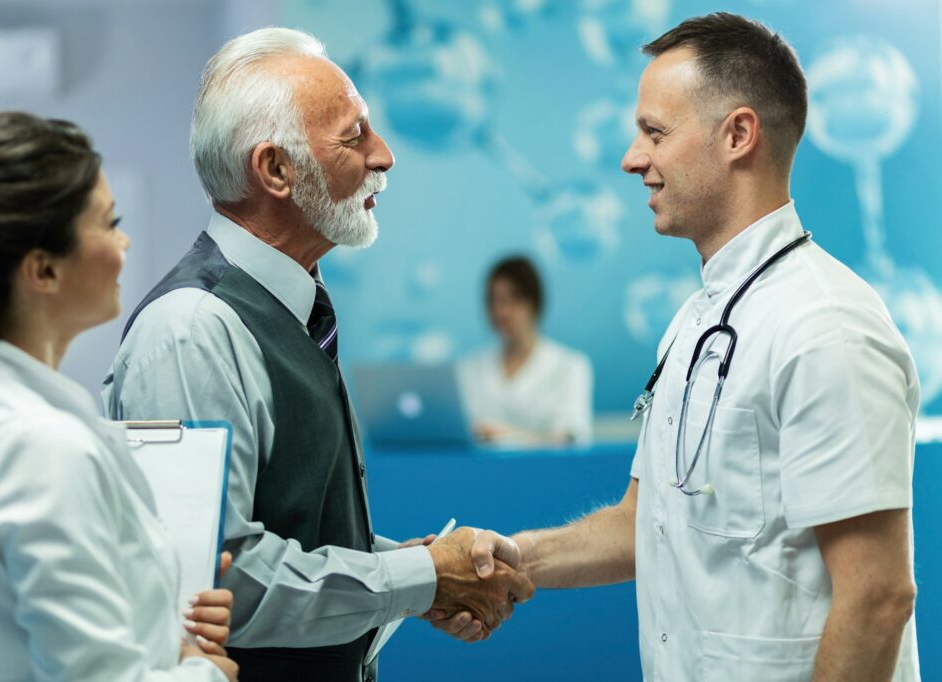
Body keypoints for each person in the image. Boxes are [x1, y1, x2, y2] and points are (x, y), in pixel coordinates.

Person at [467, 13, 920, 681]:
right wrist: (507, 562)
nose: (632, 158)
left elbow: (879, 596)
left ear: (738, 134)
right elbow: (645, 523)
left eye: (655, 132)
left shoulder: (826, 328)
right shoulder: (695, 322)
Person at [103, 28, 533, 682]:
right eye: (354, 135)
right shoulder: (192, 330)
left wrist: (416, 570)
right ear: (275, 169)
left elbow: (291, 534)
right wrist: (418, 578)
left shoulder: (294, 306)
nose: (385, 155)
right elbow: (223, 579)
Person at [0, 110, 239, 680]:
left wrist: (160, 613)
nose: (125, 240)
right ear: (42, 270)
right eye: (109, 222)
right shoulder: (40, 448)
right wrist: (203, 672)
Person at [458, 255, 593, 445]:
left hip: (545, 472)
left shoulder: (569, 365)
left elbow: (572, 436)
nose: (501, 312)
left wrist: (505, 436)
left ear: (534, 302)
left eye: (512, 299)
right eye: (494, 301)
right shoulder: (470, 368)